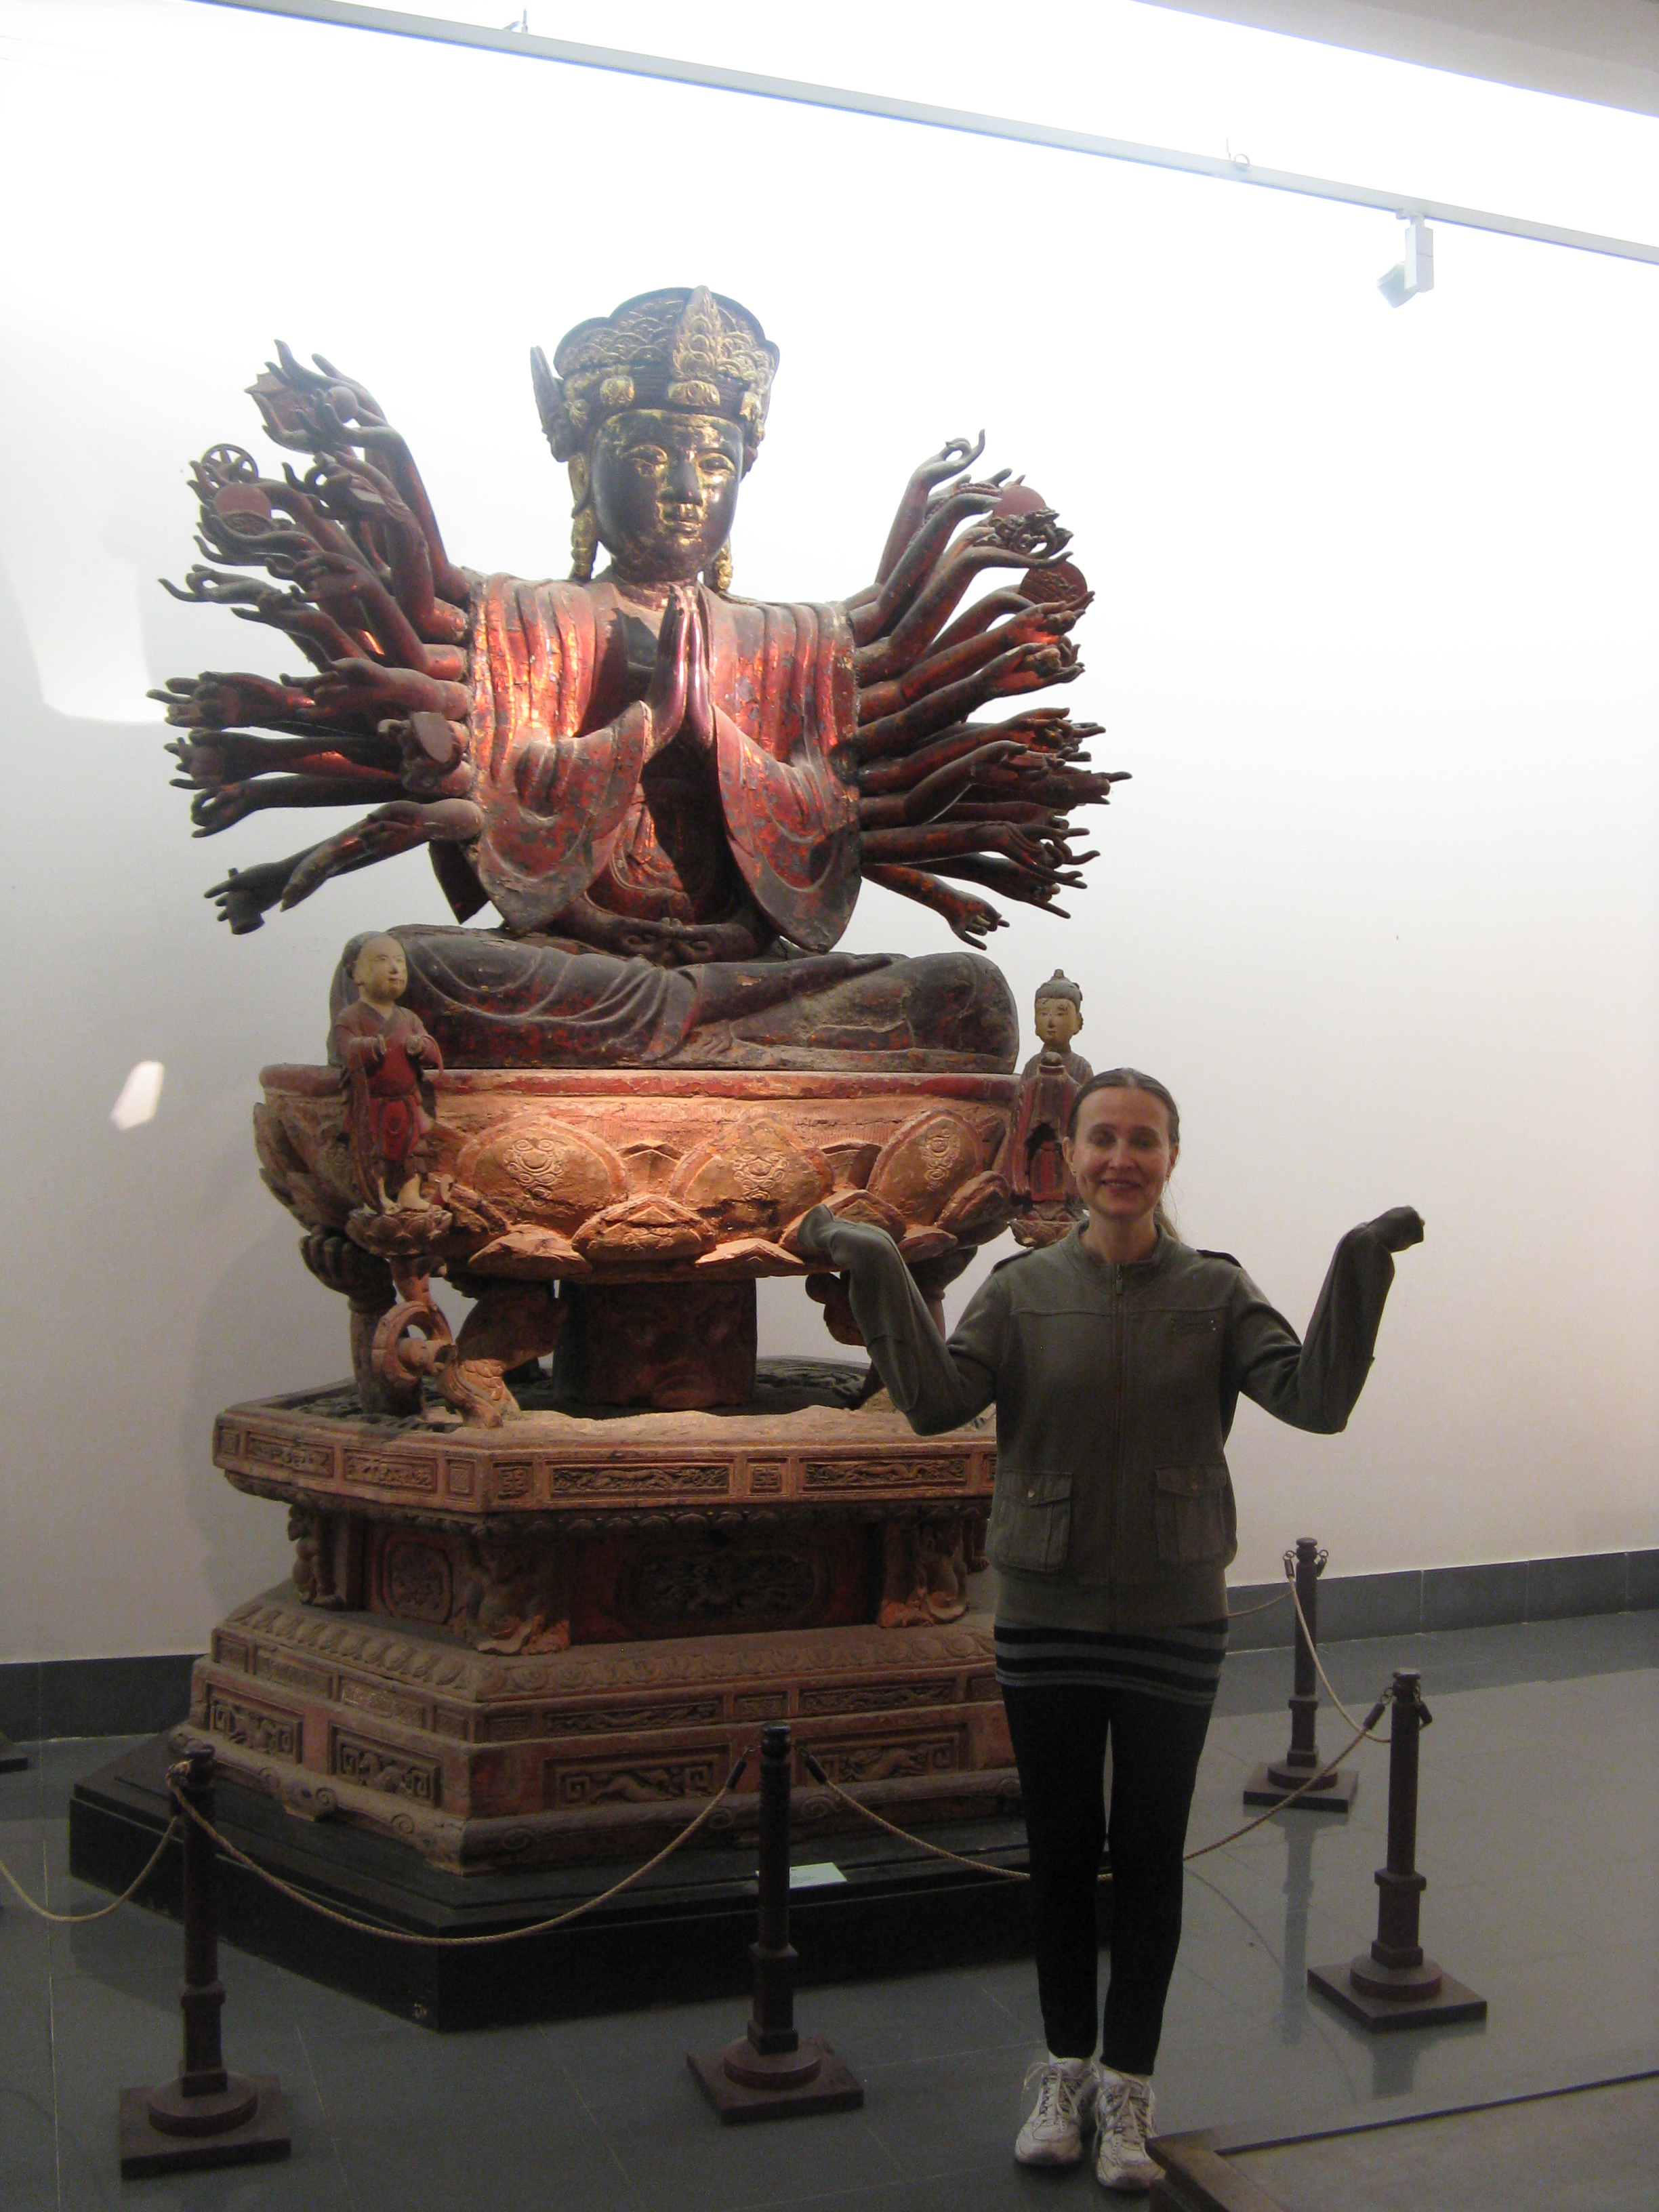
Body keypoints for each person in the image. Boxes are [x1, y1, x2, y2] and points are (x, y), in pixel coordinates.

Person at [798, 1068, 1422, 2192]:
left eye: (1142, 1140)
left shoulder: (1216, 1291)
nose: (1120, 1159)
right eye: (1102, 1140)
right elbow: (936, 1402)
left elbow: (1315, 1400)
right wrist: (876, 1262)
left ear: (1171, 1158)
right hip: (1047, 1607)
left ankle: (1128, 2087)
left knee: (1147, 1857)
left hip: (1173, 1612)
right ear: (1070, 1158)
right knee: (1057, 1856)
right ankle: (1062, 2071)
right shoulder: (1022, 1290)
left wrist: (1359, 1262)